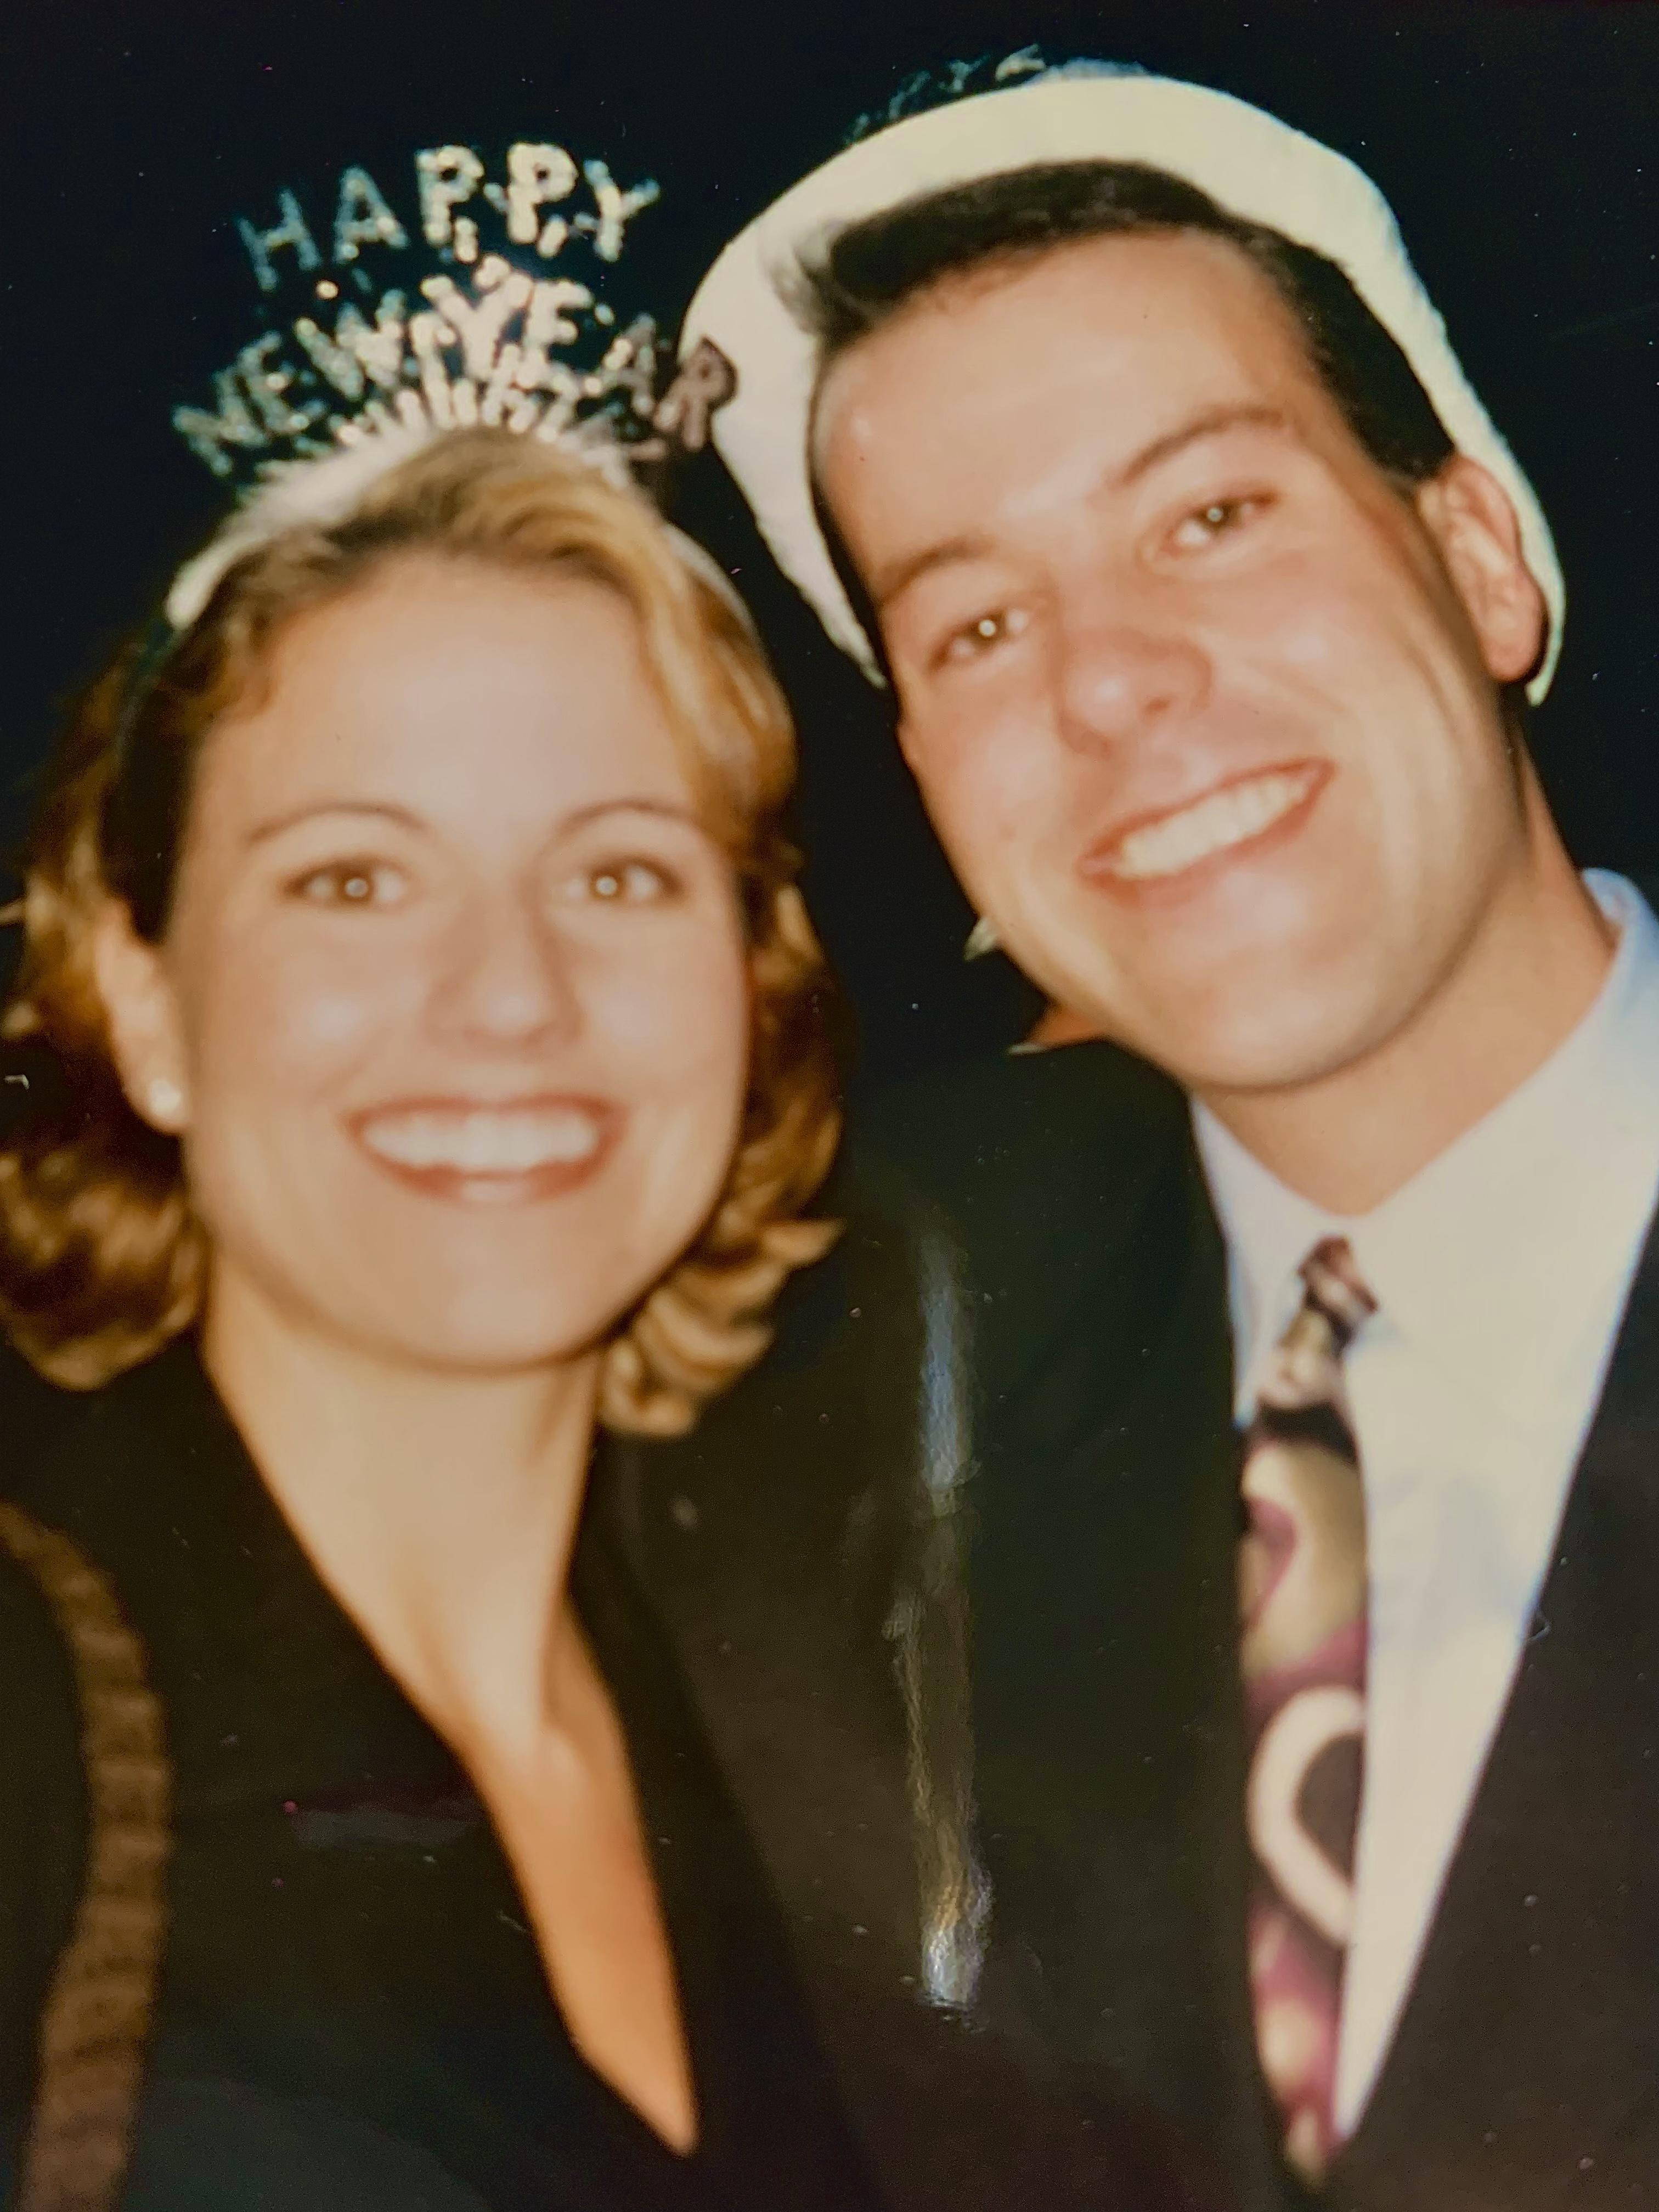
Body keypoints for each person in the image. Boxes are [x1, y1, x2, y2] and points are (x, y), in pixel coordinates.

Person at [625, 62, 1659, 2212]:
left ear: (1480, 562)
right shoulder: (878, 1407)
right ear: (930, 782)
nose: (1105, 684)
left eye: (1212, 516)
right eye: (978, 623)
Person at [0, 422, 883, 2212]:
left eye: (619, 873)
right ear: (142, 997)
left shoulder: (845, 1695)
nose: (508, 997)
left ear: (752, 978)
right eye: (355, 879)